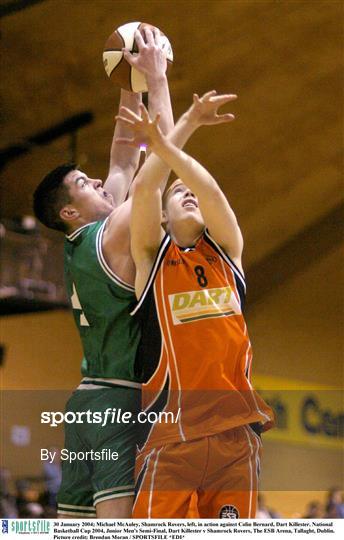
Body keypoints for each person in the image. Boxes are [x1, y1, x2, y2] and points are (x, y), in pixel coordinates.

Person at [32, 28, 174, 519]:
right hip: (116, 402)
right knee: (116, 529)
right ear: (70, 212)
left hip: (84, 405)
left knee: (71, 526)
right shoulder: (111, 233)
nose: (97, 180)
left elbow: (122, 151)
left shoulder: (82, 242)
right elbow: (159, 161)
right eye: (83, 184)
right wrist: (156, 82)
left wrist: (126, 74)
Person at [115, 100, 274, 519]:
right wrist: (182, 126)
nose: (188, 191)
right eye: (177, 191)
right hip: (170, 438)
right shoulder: (151, 259)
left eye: (191, 189)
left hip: (234, 436)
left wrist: (168, 146)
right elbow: (145, 189)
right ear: (163, 219)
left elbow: (212, 192)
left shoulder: (228, 255)